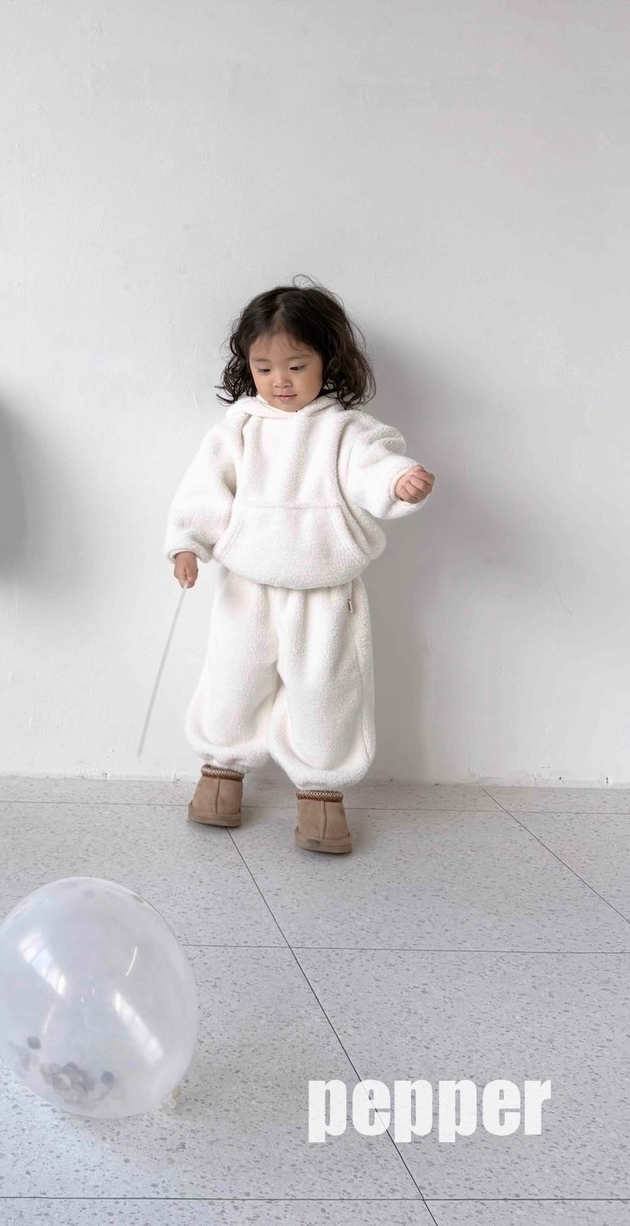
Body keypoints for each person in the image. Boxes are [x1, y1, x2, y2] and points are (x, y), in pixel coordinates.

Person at [163, 281, 434, 856]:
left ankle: (321, 792)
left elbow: (374, 465)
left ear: (327, 361)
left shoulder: (344, 428)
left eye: (295, 365)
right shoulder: (240, 426)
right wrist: (188, 543)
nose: (279, 381)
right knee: (233, 678)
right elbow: (205, 489)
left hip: (324, 590)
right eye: (264, 368)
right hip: (248, 585)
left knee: (326, 690)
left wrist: (398, 482)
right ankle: (221, 771)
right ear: (247, 366)